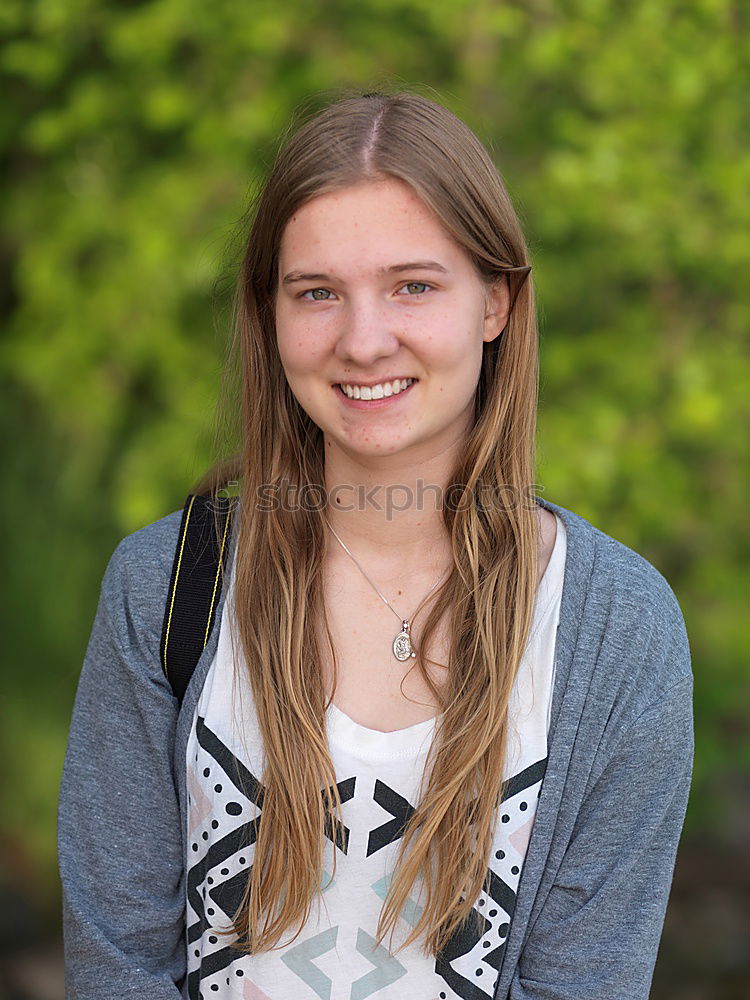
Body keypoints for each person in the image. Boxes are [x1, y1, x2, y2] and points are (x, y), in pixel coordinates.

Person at [58, 91, 693, 1000]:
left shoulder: (616, 633)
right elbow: (117, 960)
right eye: (317, 293)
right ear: (270, 317)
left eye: (413, 286)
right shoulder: (168, 587)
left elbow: (585, 981)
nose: (363, 340)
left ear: (495, 304)